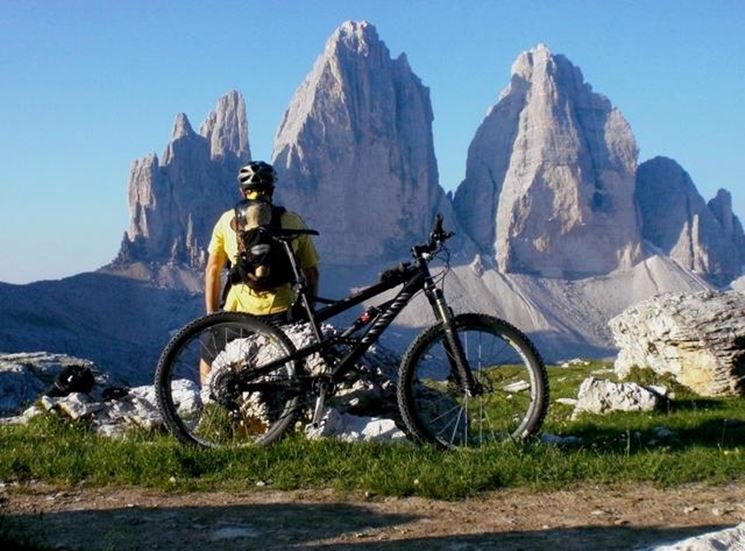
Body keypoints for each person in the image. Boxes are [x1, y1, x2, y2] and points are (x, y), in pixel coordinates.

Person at [204, 161, 320, 323]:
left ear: (243, 192)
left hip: (237, 317)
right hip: (282, 313)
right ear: (271, 189)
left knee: (209, 346)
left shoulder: (226, 221)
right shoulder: (292, 220)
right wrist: (309, 309)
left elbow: (212, 271)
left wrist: (211, 315)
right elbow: (312, 273)